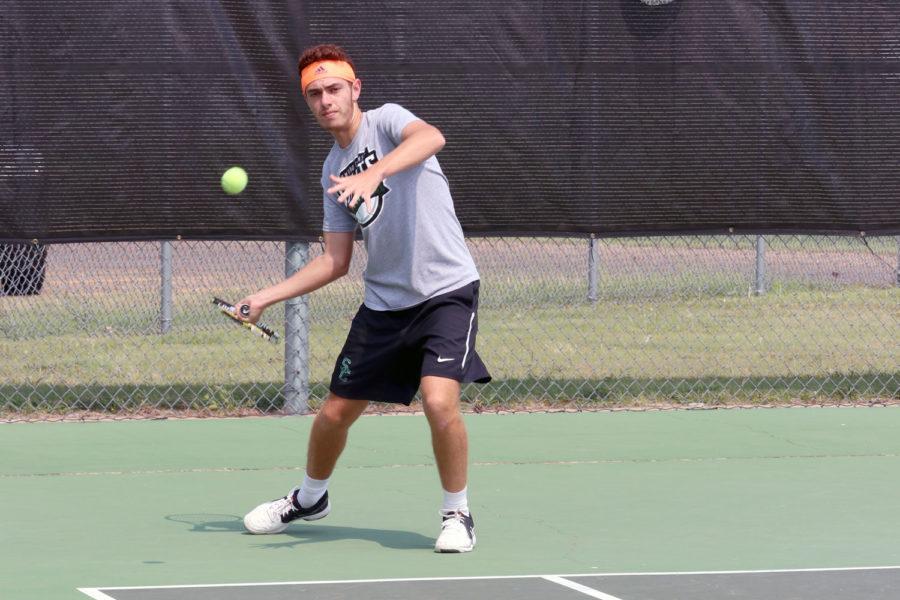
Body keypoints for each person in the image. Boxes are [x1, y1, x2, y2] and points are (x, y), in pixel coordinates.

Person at [237, 43, 491, 553]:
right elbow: (335, 261)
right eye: (314, 93)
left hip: (445, 292)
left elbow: (432, 137)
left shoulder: (389, 121)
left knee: (439, 402)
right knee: (333, 414)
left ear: (355, 89)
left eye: (334, 89)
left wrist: (376, 172)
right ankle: (309, 499)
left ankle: (457, 514)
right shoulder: (332, 168)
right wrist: (265, 296)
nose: (325, 99)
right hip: (384, 307)